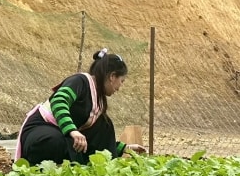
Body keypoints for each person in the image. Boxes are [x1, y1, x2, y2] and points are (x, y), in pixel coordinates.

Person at [15, 48, 146, 165]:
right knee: (56, 142)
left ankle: (100, 171)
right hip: (41, 130)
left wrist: (124, 148)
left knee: (105, 125)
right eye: (121, 81)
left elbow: (97, 138)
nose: (119, 88)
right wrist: (73, 131)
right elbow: (59, 101)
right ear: (112, 76)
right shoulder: (80, 81)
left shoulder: (97, 101)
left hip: (63, 134)